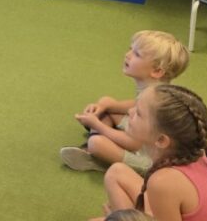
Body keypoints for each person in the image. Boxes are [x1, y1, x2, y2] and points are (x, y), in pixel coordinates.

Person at [102, 84, 207, 221]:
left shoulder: (163, 182)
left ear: (161, 140)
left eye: (138, 113)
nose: (130, 111)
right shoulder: (194, 154)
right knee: (116, 172)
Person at [62, 30, 190, 174]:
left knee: (96, 143)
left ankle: (98, 158)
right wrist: (107, 105)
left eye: (137, 54)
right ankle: (98, 148)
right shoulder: (154, 90)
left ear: (156, 71)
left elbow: (134, 143)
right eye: (130, 49)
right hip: (142, 139)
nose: (127, 55)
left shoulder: (156, 99)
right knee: (106, 103)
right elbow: (136, 105)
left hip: (148, 160)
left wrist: (97, 125)